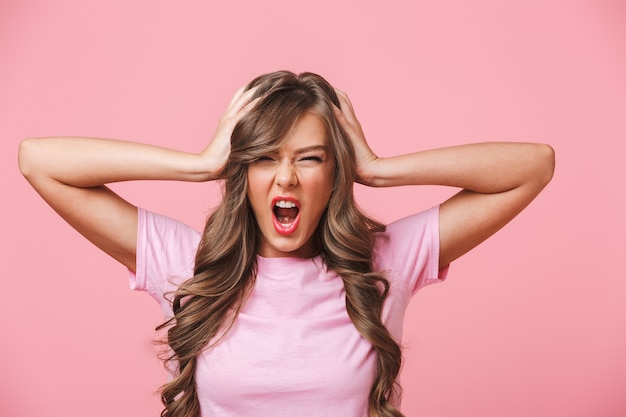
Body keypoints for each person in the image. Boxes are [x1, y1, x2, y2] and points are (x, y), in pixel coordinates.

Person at [18, 71, 555, 417]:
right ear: (242, 171)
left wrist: (377, 169)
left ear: (333, 172)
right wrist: (200, 163)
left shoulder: (383, 262)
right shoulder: (188, 264)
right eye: (266, 157)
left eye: (310, 157)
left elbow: (533, 166)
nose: (286, 179)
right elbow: (39, 162)